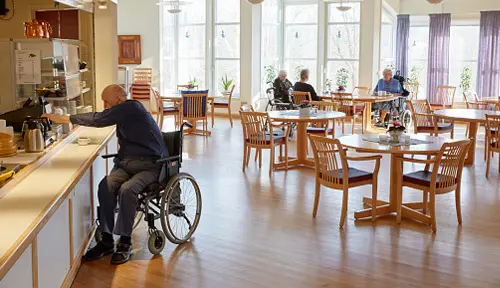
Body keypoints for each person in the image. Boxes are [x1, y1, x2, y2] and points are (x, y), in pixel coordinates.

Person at [44, 84, 167, 265]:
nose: (105, 105)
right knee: (106, 185)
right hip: (127, 163)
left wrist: (64, 118)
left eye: (106, 101)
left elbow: (100, 118)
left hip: (150, 165)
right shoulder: (124, 112)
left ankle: (125, 243)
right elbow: (103, 117)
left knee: (127, 189)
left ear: (118, 98)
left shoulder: (132, 107)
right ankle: (107, 240)